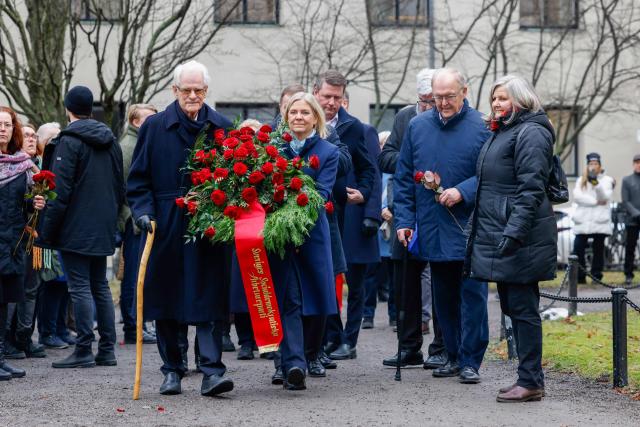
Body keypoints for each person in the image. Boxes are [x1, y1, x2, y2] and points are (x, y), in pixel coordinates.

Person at [127, 60, 234, 396]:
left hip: (209, 226)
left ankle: (212, 371)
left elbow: (234, 178)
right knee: (168, 298)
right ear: (174, 91)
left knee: (209, 298)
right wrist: (143, 212)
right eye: (186, 90)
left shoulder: (222, 127)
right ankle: (172, 369)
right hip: (167, 223)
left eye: (198, 90)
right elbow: (139, 180)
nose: (192, 95)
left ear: (206, 91)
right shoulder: (155, 127)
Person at [394, 68, 490, 384]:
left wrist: (462, 190)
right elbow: (405, 177)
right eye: (438, 97)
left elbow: (493, 174)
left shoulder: (481, 127)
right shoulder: (418, 126)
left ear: (465, 91)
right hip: (433, 224)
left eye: (450, 96)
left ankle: (470, 359)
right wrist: (405, 221)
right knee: (443, 296)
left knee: (472, 296)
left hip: (470, 225)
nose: (444, 103)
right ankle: (450, 353)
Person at [466, 75, 557, 402]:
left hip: (521, 236)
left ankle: (531, 380)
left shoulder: (531, 132)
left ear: (520, 99)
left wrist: (514, 232)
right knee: (513, 306)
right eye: (494, 99)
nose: (496, 104)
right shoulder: (506, 131)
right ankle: (527, 376)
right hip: (502, 232)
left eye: (502, 98)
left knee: (522, 308)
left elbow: (531, 189)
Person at [39, 86, 125, 370]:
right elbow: (118, 184)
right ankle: (107, 349)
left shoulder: (69, 141)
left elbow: (59, 191)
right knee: (99, 285)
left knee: (80, 287)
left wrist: (46, 231)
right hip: (102, 225)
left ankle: (84, 348)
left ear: (68, 109)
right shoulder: (110, 141)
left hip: (75, 226)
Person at [379, 68, 446, 370]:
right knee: (405, 279)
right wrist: (413, 165)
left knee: (443, 278)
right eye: (424, 101)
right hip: (408, 207)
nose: (430, 107)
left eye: (434, 100)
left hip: (442, 207)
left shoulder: (452, 118)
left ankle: (442, 347)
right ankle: (409, 347)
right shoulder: (405, 117)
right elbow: (386, 156)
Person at [313, 70, 379, 361]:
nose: (331, 102)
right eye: (326, 96)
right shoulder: (302, 120)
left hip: (348, 214)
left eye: (337, 98)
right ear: (316, 93)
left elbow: (369, 169)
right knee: (324, 277)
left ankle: (348, 340)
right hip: (317, 214)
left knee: (355, 280)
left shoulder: (356, 128)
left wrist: (364, 194)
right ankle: (330, 336)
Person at [0, 106, 46, 380]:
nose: (2, 129)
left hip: (12, 243)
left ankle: (1, 356)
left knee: (4, 302)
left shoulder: (20, 165)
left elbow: (24, 204)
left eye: (6, 124)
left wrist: (34, 203)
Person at [117, 103, 158, 345]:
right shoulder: (129, 147)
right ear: (135, 122)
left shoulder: (140, 144)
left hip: (138, 219)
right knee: (133, 276)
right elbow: (126, 187)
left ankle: (139, 324)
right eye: (148, 119)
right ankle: (133, 327)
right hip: (134, 221)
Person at [34, 123, 75, 350]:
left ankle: (60, 328)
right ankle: (47, 331)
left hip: (58, 231)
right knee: (51, 282)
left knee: (62, 283)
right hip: (44, 234)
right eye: (54, 138)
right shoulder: (39, 165)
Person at [362, 131, 394, 329]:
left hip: (393, 229)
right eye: (381, 144)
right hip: (375, 233)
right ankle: (368, 315)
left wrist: (392, 210)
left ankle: (394, 315)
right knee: (370, 276)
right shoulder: (373, 170)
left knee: (395, 277)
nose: (383, 148)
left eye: (387, 144)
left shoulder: (396, 170)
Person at [572, 153, 614, 283]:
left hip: (599, 221)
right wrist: (595, 202)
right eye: (591, 164)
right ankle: (580, 276)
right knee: (578, 247)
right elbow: (577, 197)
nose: (593, 166)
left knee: (598, 249)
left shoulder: (607, 180)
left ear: (600, 165)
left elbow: (604, 197)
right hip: (583, 220)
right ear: (587, 165)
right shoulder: (581, 180)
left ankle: (596, 276)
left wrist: (595, 183)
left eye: (595, 164)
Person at [622, 155, 640, 284]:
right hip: (632, 220)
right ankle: (628, 274)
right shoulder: (627, 180)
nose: (639, 165)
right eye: (637, 162)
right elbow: (625, 201)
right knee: (630, 248)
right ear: (633, 164)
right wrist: (636, 213)